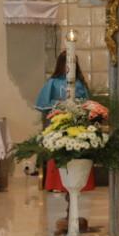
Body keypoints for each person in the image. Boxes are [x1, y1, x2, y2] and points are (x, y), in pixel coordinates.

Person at [35, 51, 95, 192]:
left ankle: (80, 183)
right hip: (58, 123)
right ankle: (57, 184)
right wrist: (60, 105)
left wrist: (78, 105)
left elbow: (87, 103)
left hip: (76, 124)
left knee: (77, 148)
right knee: (58, 149)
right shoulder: (53, 82)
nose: (69, 66)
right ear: (61, 64)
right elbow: (44, 103)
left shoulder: (79, 83)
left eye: (72, 63)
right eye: (67, 63)